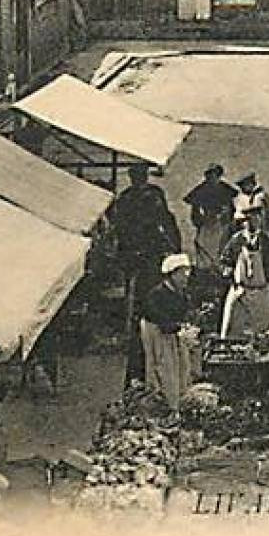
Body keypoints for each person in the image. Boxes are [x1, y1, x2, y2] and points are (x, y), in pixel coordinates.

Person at [111, 163, 181, 381]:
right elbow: (166, 222)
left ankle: (143, 327)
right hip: (146, 257)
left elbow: (121, 231)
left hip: (142, 258)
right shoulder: (149, 196)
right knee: (151, 296)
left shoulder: (128, 198)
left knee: (144, 299)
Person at [140, 254, 195, 407]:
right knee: (164, 368)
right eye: (182, 275)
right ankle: (167, 403)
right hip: (156, 333)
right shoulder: (157, 295)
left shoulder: (181, 293)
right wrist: (179, 328)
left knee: (182, 367)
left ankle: (180, 399)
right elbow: (160, 320)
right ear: (172, 275)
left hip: (172, 332)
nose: (185, 278)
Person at [221, 210, 269, 337]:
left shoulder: (266, 241)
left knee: (264, 332)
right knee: (232, 329)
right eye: (249, 220)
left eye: (256, 219)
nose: (253, 223)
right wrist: (228, 271)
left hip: (261, 292)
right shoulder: (236, 240)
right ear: (244, 223)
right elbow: (225, 260)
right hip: (241, 291)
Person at [183, 164, 236, 279]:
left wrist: (224, 219)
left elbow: (231, 211)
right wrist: (203, 220)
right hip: (206, 227)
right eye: (209, 176)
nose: (212, 179)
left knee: (222, 251)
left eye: (215, 175)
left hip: (221, 227)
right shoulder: (201, 191)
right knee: (204, 253)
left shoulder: (225, 191)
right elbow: (195, 213)